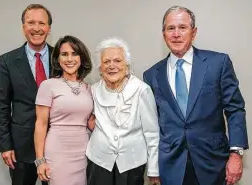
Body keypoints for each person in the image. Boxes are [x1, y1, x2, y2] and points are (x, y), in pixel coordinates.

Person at [143, 5, 249, 185]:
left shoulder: (218, 63)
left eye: (182, 27)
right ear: (164, 35)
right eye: (171, 28)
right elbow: (151, 124)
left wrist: (236, 153)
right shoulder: (151, 75)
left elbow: (235, 110)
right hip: (171, 167)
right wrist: (154, 168)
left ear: (194, 32)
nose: (176, 34)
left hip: (213, 163)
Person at [86, 37, 160, 185]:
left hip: (131, 163)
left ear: (127, 65)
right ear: (100, 68)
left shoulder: (141, 90)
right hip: (99, 162)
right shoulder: (93, 90)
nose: (111, 66)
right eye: (106, 62)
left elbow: (152, 132)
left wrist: (153, 170)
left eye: (117, 61)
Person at [0, 4, 53, 185]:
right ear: (23, 27)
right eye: (31, 23)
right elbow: (2, 106)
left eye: (42, 23)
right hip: (21, 147)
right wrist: (6, 145)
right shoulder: (7, 61)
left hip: (55, 143)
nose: (36, 28)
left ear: (49, 28)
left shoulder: (61, 57)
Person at [34, 35, 93, 185]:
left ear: (81, 58)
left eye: (74, 54)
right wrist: (40, 160)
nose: (69, 59)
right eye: (64, 54)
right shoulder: (48, 85)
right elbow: (40, 124)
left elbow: (90, 122)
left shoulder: (89, 88)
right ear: (58, 59)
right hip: (57, 152)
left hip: (83, 152)